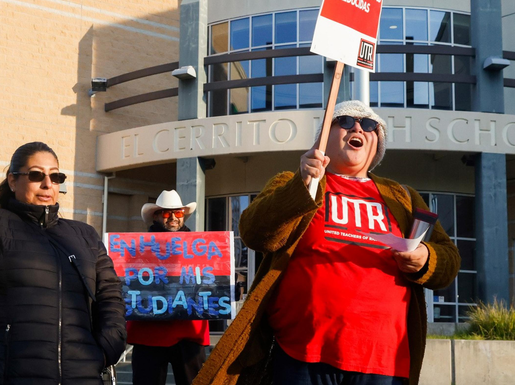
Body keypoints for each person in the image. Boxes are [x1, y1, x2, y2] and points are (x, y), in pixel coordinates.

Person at [195, 100, 460, 385]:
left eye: (369, 125)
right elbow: (254, 233)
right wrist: (301, 184)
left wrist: (425, 258)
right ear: (324, 135)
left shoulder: (402, 197)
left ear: (377, 144)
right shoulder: (295, 182)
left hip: (383, 361)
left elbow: (449, 260)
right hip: (301, 356)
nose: (357, 127)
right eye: (345, 121)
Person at [0, 141, 127, 385]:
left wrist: (106, 348)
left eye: (55, 176)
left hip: (82, 375)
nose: (47, 184)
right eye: (36, 175)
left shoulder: (84, 235)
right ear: (12, 181)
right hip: (10, 375)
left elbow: (110, 295)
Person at [127, 190, 211, 385]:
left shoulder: (202, 248)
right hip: (147, 334)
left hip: (189, 332)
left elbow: (210, 280)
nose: (173, 217)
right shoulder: (136, 248)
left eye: (178, 212)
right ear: (156, 216)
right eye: (166, 213)